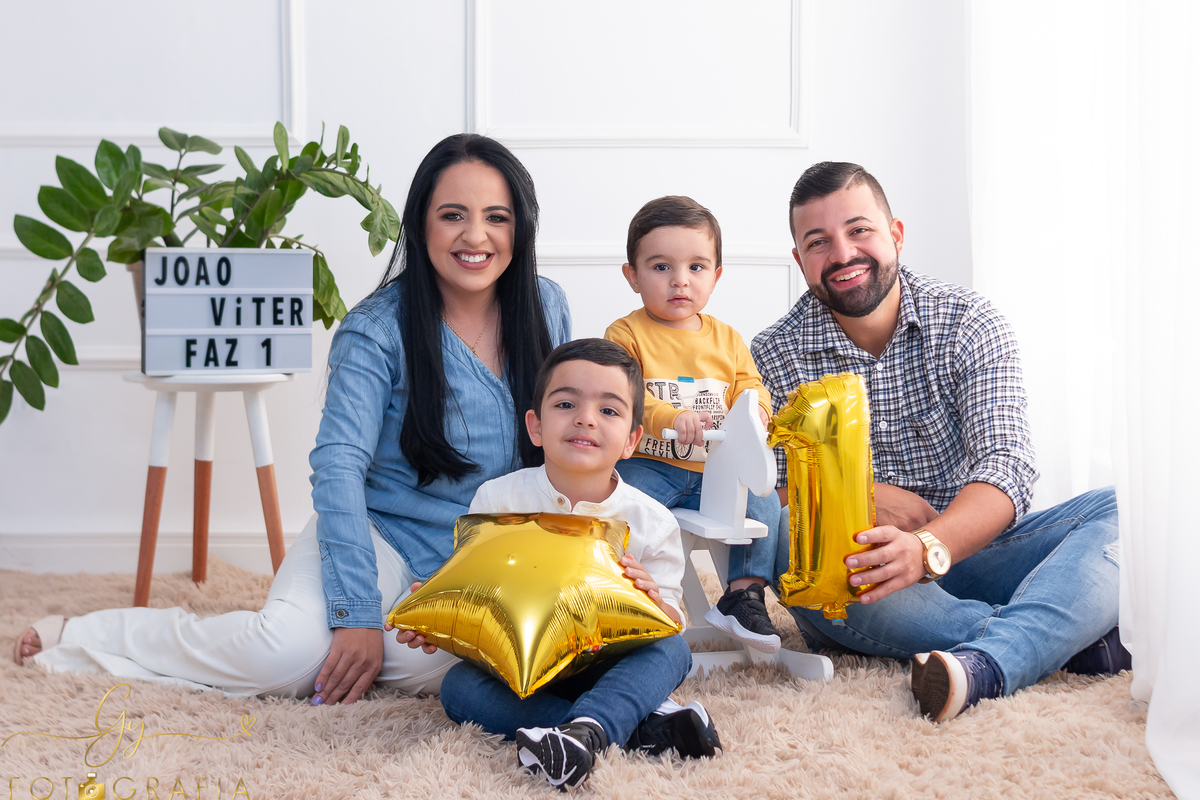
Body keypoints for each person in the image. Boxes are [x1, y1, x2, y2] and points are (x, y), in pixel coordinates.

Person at [12, 133, 572, 706]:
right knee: (282, 657)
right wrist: (354, 614)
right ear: (420, 224)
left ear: (519, 229)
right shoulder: (375, 330)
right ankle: (93, 634)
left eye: (495, 218)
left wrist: (473, 578)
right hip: (374, 533)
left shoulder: (546, 307)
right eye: (452, 215)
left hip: (480, 554)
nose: (475, 236)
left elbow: (563, 454)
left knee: (486, 658)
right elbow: (338, 471)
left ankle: (362, 649)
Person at [752, 161, 1125, 722]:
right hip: (865, 574)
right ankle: (1061, 629)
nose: (843, 253)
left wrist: (927, 546)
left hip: (979, 548)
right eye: (818, 242)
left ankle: (992, 659)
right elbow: (768, 495)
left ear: (895, 233)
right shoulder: (770, 356)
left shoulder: (970, 322)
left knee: (1131, 508)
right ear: (800, 260)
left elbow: (1008, 466)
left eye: (859, 230)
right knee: (785, 532)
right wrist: (863, 494)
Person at [398, 339, 721, 790]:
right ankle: (626, 731)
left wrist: (654, 603)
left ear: (632, 440)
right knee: (458, 688)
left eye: (608, 411)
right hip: (526, 673)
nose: (586, 418)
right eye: (566, 403)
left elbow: (673, 620)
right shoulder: (498, 500)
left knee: (672, 652)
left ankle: (587, 728)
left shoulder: (652, 519)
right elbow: (481, 600)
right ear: (536, 426)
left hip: (609, 665)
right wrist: (442, 619)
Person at [603, 196, 784, 653]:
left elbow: (752, 386)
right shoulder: (626, 334)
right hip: (651, 463)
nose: (680, 280)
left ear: (716, 275)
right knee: (620, 507)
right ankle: (617, 591)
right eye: (661, 267)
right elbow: (625, 394)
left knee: (763, 506)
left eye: (697, 267)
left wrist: (758, 412)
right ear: (633, 276)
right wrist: (670, 416)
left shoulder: (727, 338)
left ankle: (742, 595)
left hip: (714, 472)